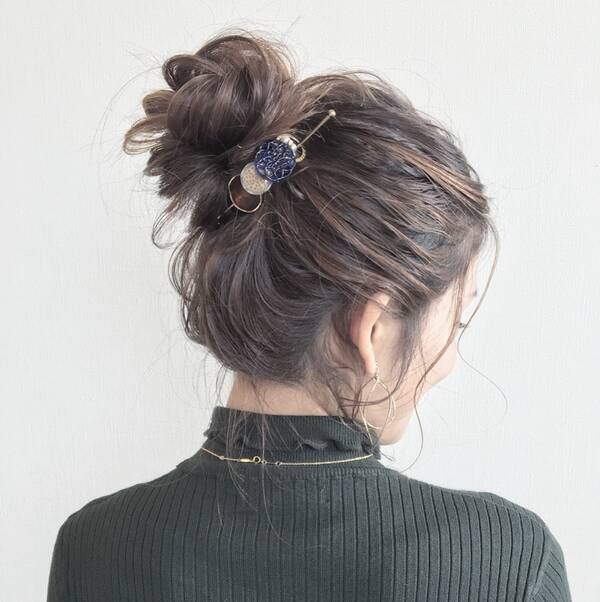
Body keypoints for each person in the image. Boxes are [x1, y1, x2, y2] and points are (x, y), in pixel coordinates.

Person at [47, 29, 572, 601]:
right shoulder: (507, 562)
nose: (447, 363)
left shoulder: (93, 546)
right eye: (457, 324)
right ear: (371, 329)